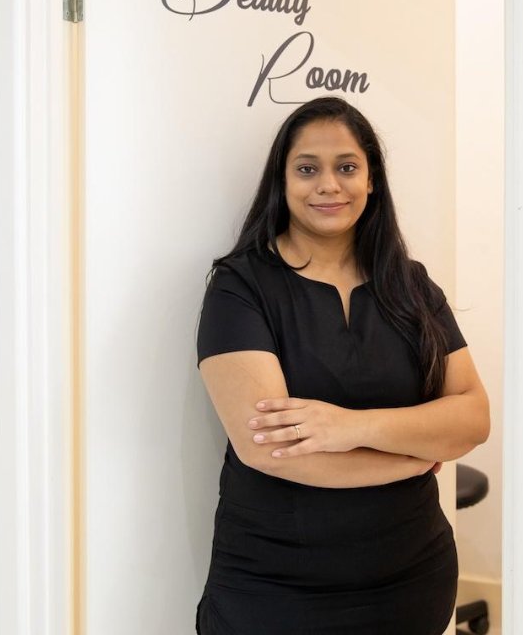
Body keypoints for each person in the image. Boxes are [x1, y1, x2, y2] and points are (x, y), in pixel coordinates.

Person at [195, 96, 490, 634]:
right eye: (307, 169)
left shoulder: (411, 284)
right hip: (276, 589)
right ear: (282, 182)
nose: (329, 184)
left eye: (347, 167)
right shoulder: (241, 287)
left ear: (371, 180)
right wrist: (411, 457)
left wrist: (348, 427)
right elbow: (272, 451)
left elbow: (473, 417)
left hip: (411, 577)